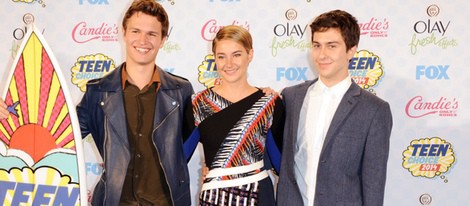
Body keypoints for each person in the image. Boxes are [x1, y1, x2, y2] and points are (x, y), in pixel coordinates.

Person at [75, 0, 193, 205]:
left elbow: (212, 132)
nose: (143, 40)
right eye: (136, 31)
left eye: (152, 34)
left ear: (163, 39)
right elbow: (59, 134)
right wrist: (9, 113)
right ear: (124, 33)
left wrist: (260, 95)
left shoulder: (180, 91)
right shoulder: (97, 92)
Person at [276, 10, 393, 206]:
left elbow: (374, 183)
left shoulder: (374, 110)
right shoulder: (291, 97)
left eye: (332, 46)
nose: (322, 55)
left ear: (351, 50)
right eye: (317, 45)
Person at [183, 25, 285, 206]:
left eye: (236, 54)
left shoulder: (268, 103)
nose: (228, 64)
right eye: (221, 56)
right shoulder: (199, 103)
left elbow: (281, 164)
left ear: (250, 54)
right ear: (214, 58)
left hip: (260, 196)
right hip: (215, 198)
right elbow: (177, 158)